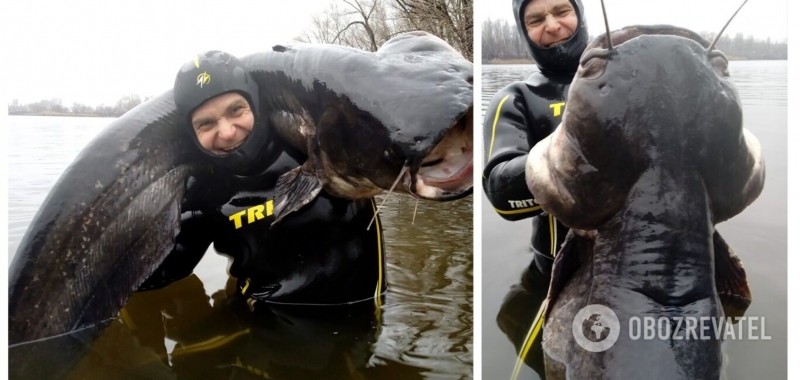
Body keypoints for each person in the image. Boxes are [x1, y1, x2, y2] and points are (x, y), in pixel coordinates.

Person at [138, 51, 387, 309]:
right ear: (191, 133)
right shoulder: (204, 189)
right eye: (206, 123)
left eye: (236, 109)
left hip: (361, 318)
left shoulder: (314, 146)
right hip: (261, 321)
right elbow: (164, 268)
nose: (226, 131)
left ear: (255, 103)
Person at [482, 0, 588, 373]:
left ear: (581, 13)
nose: (553, 25)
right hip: (553, 277)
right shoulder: (515, 98)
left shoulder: (629, 79)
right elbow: (499, 193)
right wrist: (574, 149)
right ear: (523, 30)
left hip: (644, 269)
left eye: (563, 10)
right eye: (536, 19)